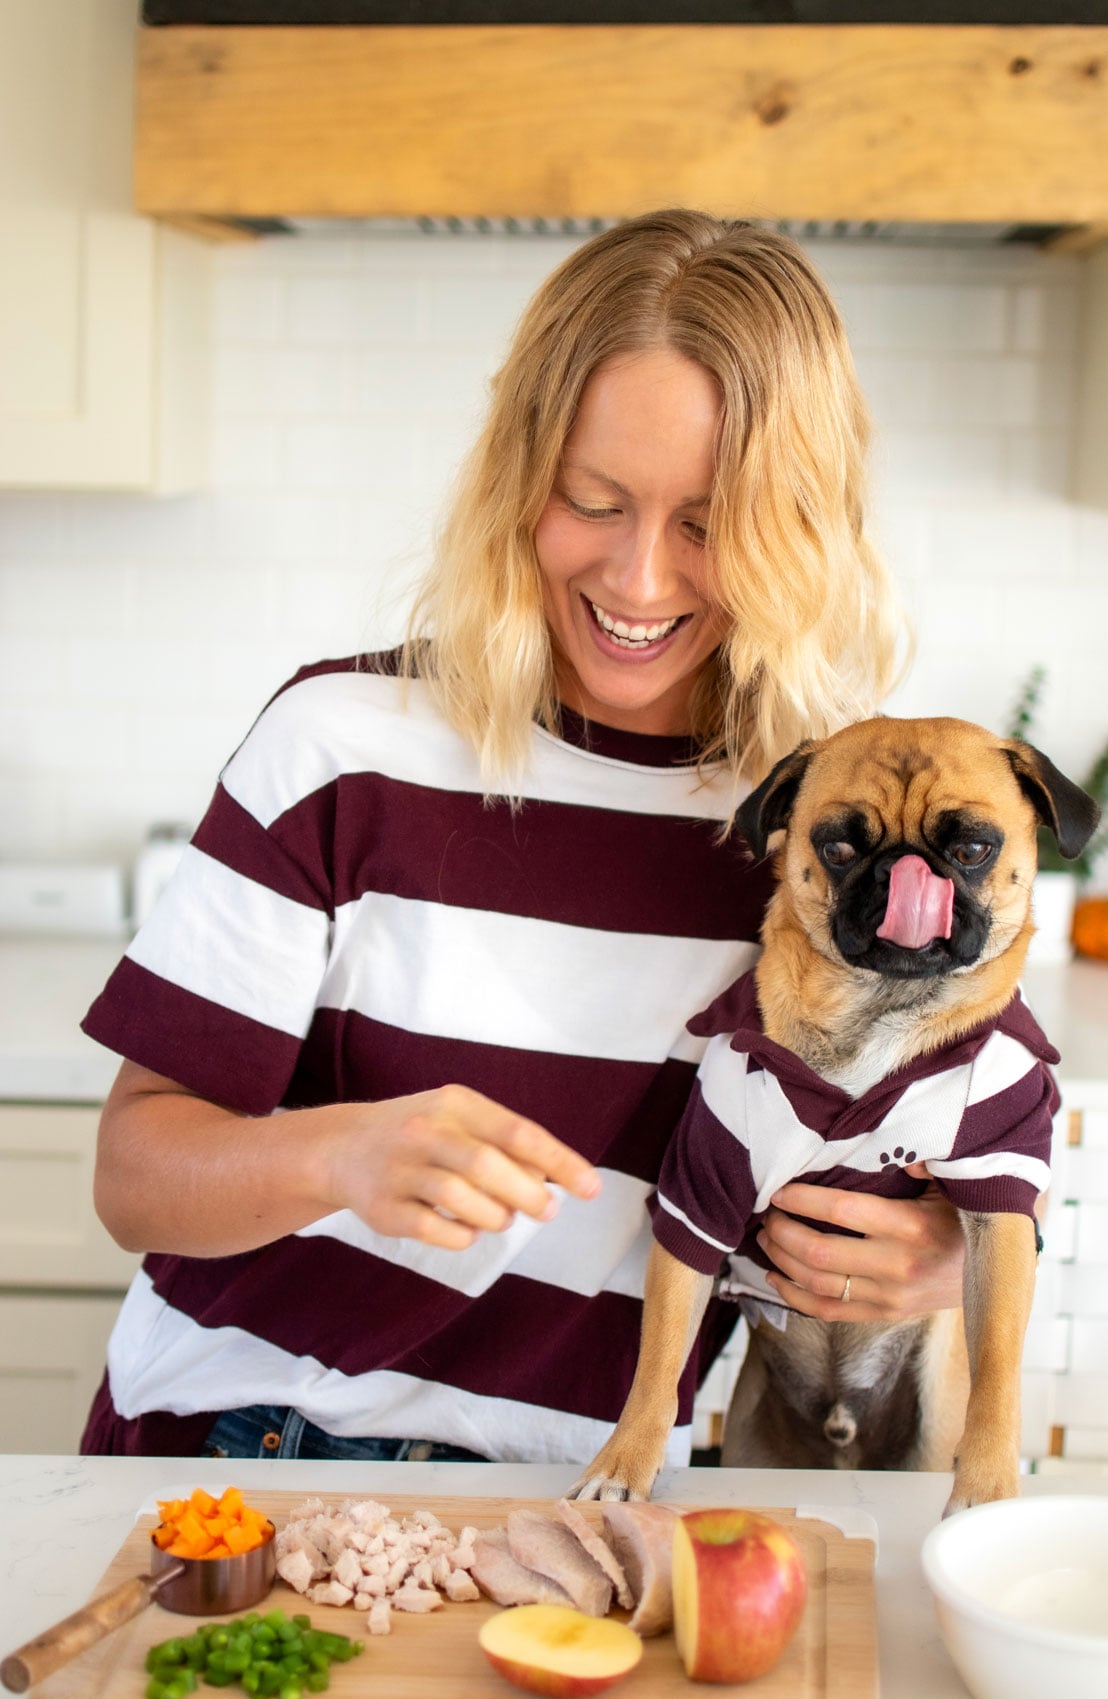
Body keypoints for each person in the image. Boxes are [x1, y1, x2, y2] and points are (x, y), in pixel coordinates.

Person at [79, 209, 966, 1467]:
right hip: (249, 1453)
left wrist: (935, 1260)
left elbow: (942, 1144)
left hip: (590, 1510)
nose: (641, 581)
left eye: (710, 526)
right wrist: (343, 1150)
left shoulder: (818, 837)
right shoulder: (343, 747)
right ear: (518, 477)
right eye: (592, 501)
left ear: (801, 530)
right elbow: (133, 1177)